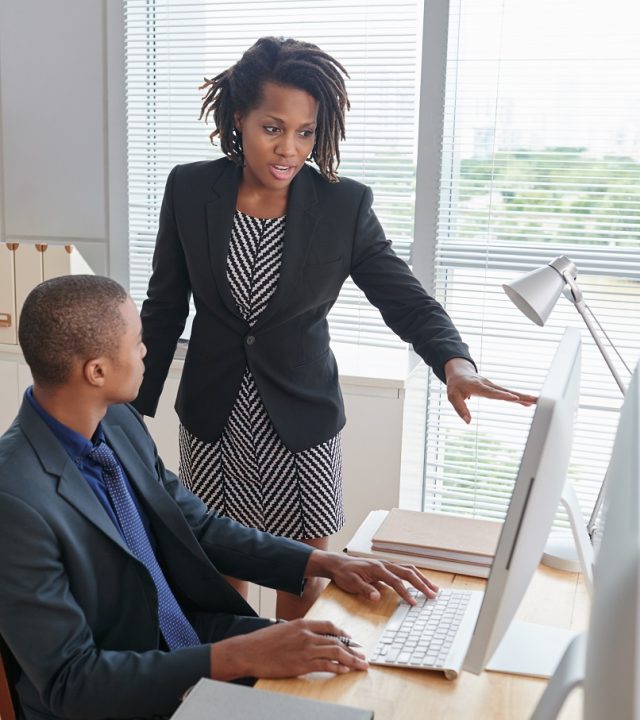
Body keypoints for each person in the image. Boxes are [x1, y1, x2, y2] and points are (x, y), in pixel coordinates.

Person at [132, 36, 536, 620]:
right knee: (221, 589)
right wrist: (129, 408)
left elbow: (406, 299)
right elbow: (164, 307)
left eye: (305, 132)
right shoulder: (191, 188)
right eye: (274, 127)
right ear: (240, 117)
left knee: (306, 590)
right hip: (213, 422)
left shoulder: (343, 206)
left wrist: (456, 364)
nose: (289, 149)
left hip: (302, 427)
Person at [0, 275, 437, 720]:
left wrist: (323, 562)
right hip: (125, 692)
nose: (145, 351)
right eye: (137, 343)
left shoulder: (118, 423)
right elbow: (72, 683)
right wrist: (239, 656)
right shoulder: (13, 498)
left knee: (368, 681)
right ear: (96, 371)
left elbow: (198, 526)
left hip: (191, 640)